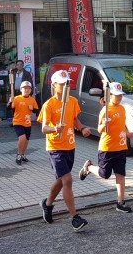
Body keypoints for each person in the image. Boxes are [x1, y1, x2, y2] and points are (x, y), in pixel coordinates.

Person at [37, 70, 91, 231]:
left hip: (70, 146)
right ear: (54, 85)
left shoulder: (72, 101)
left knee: (61, 180)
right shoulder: (49, 105)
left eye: (67, 82)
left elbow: (75, 119)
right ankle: (75, 217)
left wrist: (82, 129)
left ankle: (47, 204)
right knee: (67, 180)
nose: (65, 85)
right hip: (55, 147)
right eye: (62, 83)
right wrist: (55, 128)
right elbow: (44, 128)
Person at [78, 82, 133, 213]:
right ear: (109, 95)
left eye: (121, 95)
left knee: (120, 174)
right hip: (107, 148)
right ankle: (89, 167)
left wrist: (127, 133)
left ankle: (120, 202)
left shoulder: (122, 108)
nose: (119, 97)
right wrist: (104, 124)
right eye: (116, 95)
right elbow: (99, 129)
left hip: (121, 147)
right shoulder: (105, 110)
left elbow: (121, 125)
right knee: (105, 175)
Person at [11, 80, 39, 164]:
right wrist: (10, 102)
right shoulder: (17, 98)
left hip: (27, 123)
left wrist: (32, 109)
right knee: (22, 138)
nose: (26, 90)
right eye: (24, 88)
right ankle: (18, 155)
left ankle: (23, 154)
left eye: (28, 88)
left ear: (30, 90)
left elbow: (37, 111)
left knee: (26, 140)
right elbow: (9, 108)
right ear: (21, 89)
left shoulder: (32, 100)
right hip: (18, 122)